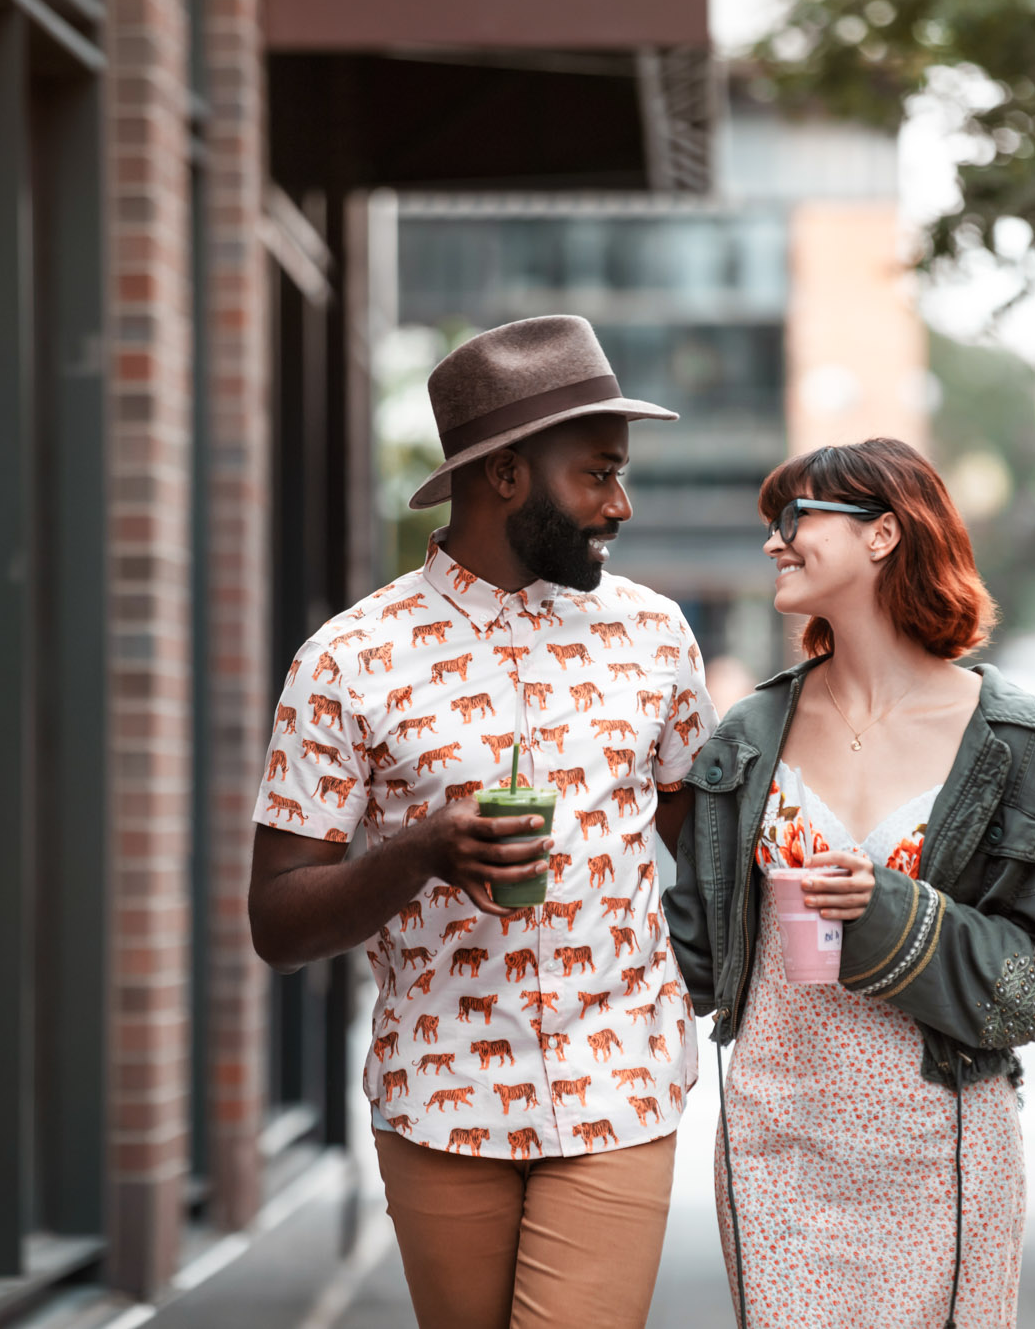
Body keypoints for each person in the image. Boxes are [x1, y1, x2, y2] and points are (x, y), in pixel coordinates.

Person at [248, 316, 718, 1329]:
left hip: (619, 1074)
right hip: (437, 1090)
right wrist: (419, 849)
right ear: (506, 474)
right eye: (596, 473)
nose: (619, 503)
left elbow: (705, 845)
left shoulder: (654, 638)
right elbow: (278, 922)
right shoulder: (346, 660)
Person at [664, 439, 1035, 1329]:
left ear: (884, 533)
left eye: (796, 518)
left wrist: (895, 913)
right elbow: (689, 949)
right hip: (776, 1138)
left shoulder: (1006, 738)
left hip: (940, 1143)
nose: (775, 542)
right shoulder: (745, 736)